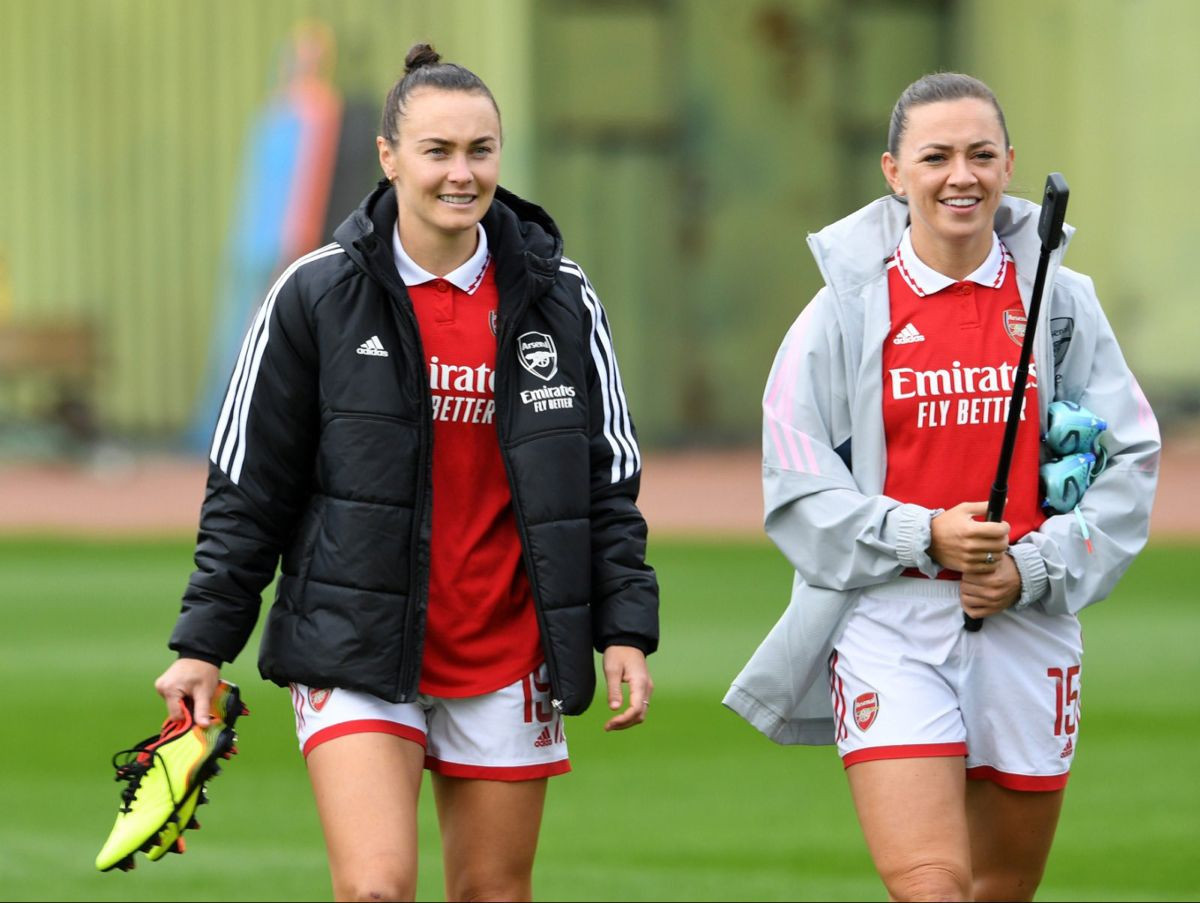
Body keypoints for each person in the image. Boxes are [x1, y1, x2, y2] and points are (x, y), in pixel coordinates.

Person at [154, 42, 658, 902]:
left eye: (480, 150)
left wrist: (625, 628)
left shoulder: (560, 296)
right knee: (377, 888)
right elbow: (249, 488)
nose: (461, 173)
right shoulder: (311, 295)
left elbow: (606, 483)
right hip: (354, 640)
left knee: (492, 892)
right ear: (389, 158)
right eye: (437, 151)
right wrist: (204, 643)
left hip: (507, 647)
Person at [724, 72, 1159, 901]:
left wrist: (1031, 569)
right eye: (936, 156)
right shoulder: (841, 313)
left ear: (1009, 166)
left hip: (1029, 626)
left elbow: (1131, 458)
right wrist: (920, 533)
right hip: (890, 620)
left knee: (999, 887)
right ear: (894, 172)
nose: (961, 175)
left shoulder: (1062, 305)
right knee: (929, 883)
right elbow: (795, 478)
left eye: (980, 154)